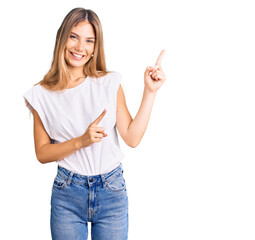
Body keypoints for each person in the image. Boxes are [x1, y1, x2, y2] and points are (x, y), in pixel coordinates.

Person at [23, 7, 166, 240]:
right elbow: (42, 152)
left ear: (95, 47)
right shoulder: (41, 94)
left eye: (89, 41)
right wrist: (82, 141)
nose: (80, 47)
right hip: (68, 192)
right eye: (74, 37)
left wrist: (150, 92)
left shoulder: (108, 82)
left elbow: (132, 137)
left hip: (111, 190)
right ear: (62, 38)